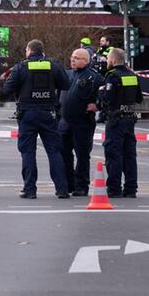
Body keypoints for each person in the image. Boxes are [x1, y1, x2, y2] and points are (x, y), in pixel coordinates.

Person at [2, 39, 71, 199]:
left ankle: (30, 190)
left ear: (29, 50)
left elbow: (6, 89)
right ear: (42, 51)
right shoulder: (53, 65)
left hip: (28, 114)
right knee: (54, 151)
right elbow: (66, 84)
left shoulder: (21, 67)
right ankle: (62, 189)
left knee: (28, 152)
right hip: (49, 113)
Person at [99, 48, 143, 198]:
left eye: (108, 60)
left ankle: (114, 188)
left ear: (112, 60)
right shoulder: (132, 75)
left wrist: (101, 92)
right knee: (129, 155)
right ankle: (131, 189)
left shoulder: (112, 76)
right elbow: (139, 98)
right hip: (130, 118)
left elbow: (108, 98)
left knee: (113, 154)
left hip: (116, 119)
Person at [59, 48, 104, 196]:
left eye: (76, 58)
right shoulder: (66, 74)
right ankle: (68, 184)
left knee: (82, 156)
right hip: (64, 123)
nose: (73, 60)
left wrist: (97, 105)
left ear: (86, 60)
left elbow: (105, 96)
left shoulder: (94, 77)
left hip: (83, 123)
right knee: (64, 154)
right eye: (72, 57)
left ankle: (81, 186)